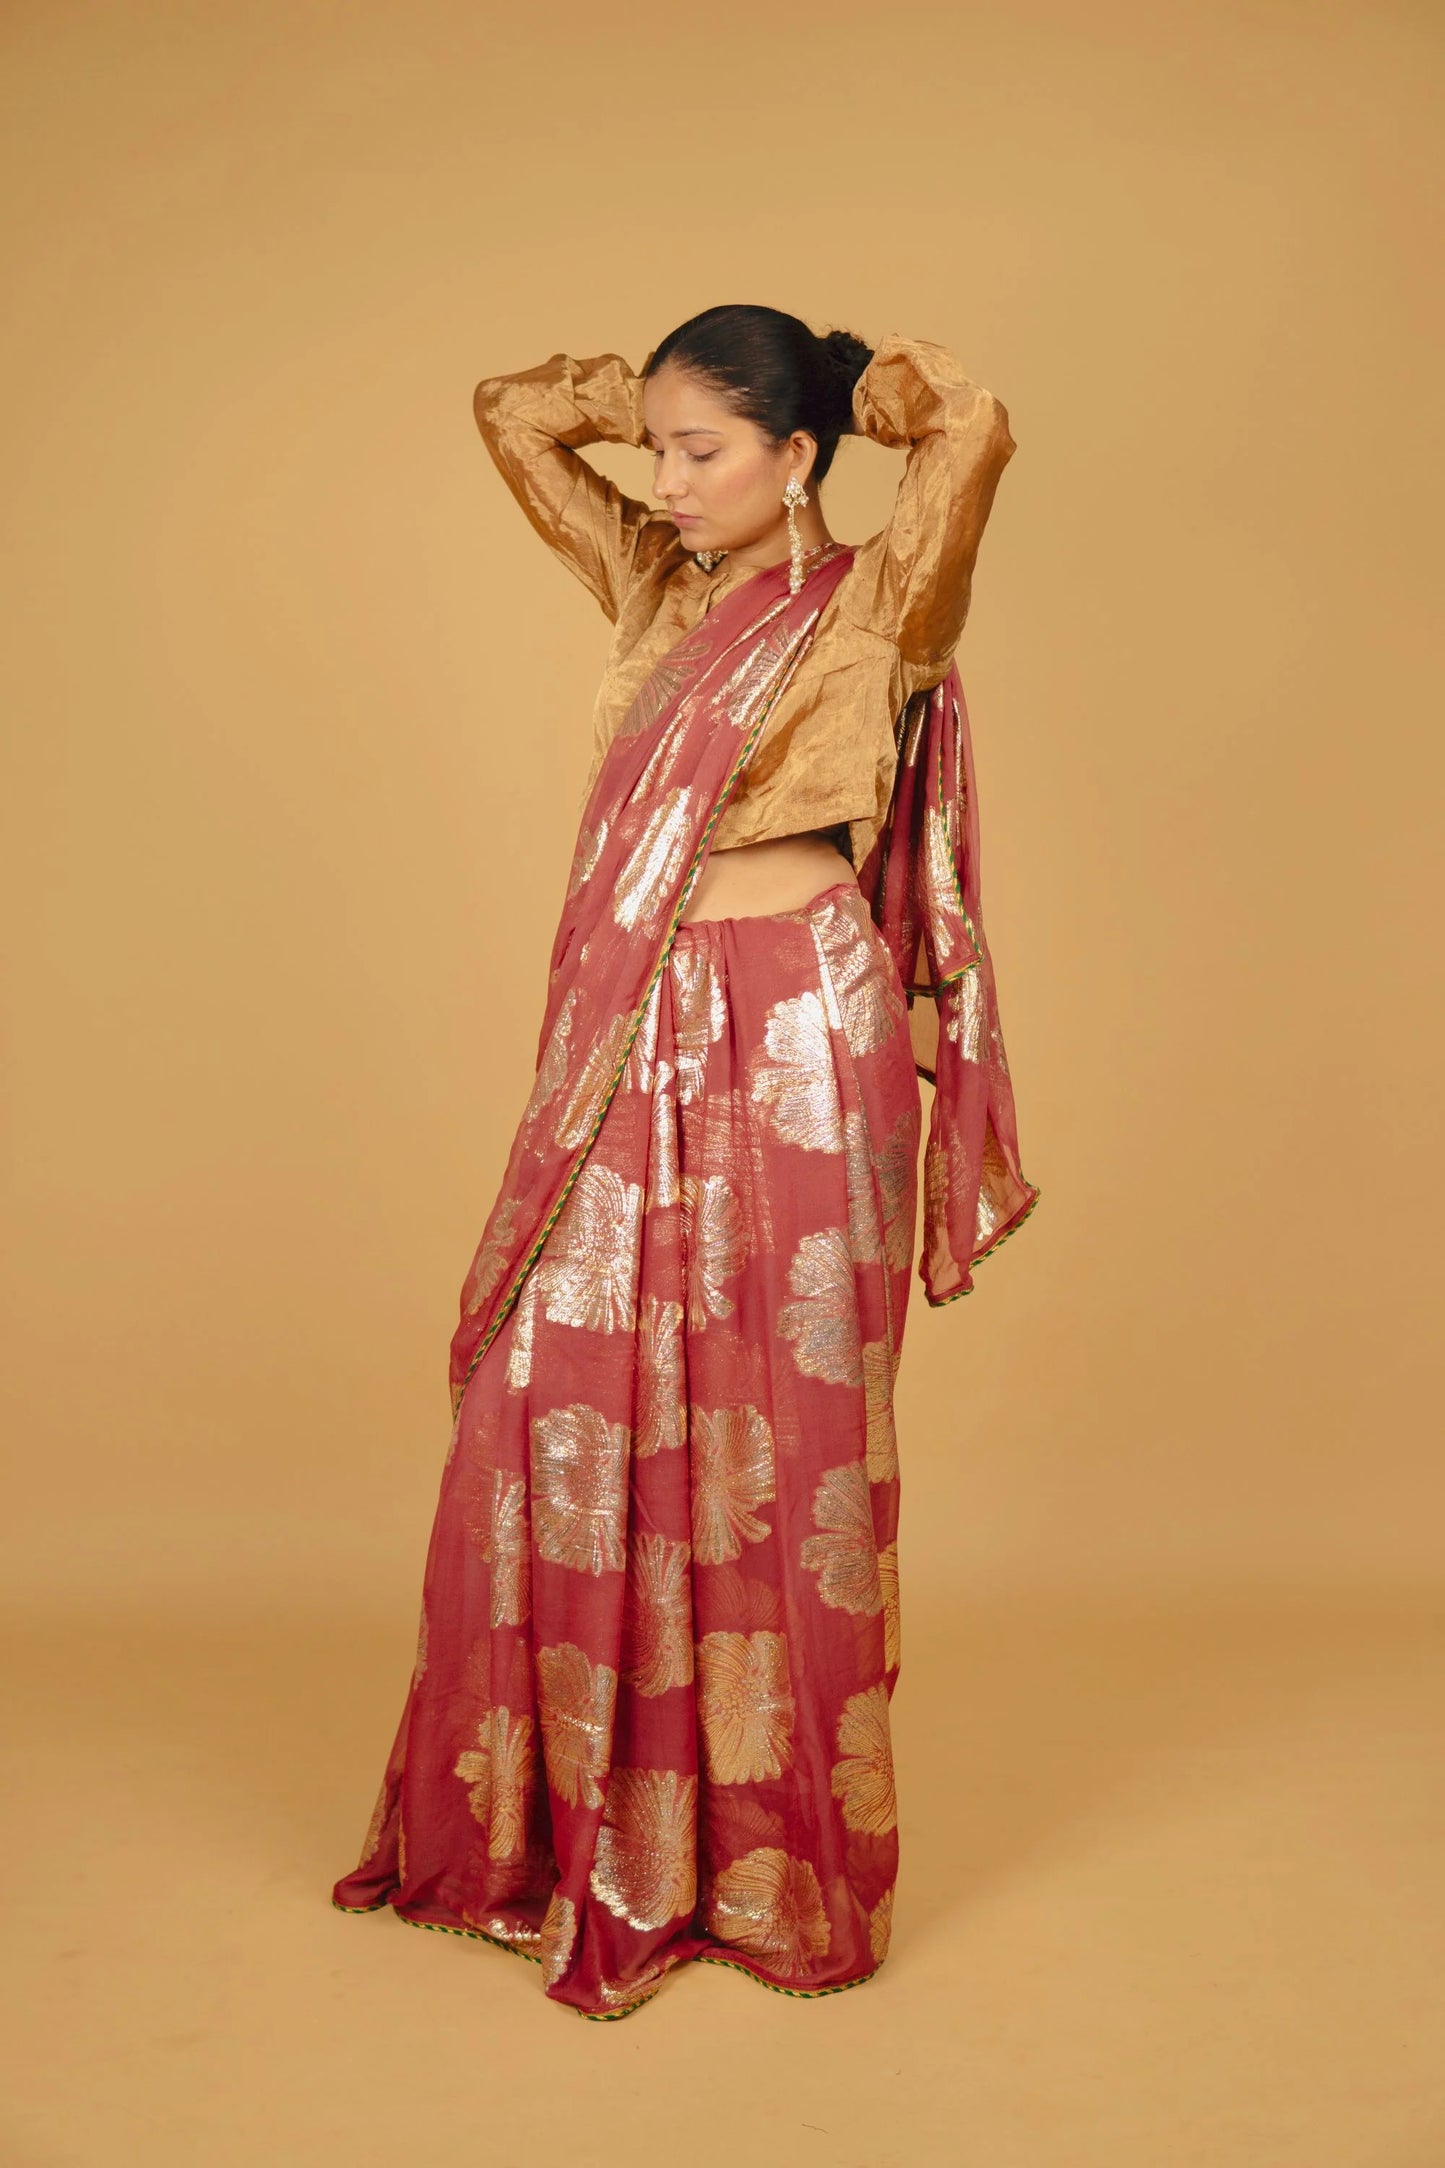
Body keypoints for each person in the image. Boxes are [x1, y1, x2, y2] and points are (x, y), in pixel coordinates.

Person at [330, 305, 1041, 2020]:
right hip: (638, 1019)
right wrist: (631, 389)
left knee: (776, 1433)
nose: (664, 479)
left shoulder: (881, 601)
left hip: (802, 1034)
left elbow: (969, 429)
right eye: (655, 449)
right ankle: (564, 1835)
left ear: (794, 458)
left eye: (700, 449)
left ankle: (765, 1866)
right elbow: (509, 414)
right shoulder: (657, 589)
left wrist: (855, 382)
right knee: (550, 1393)